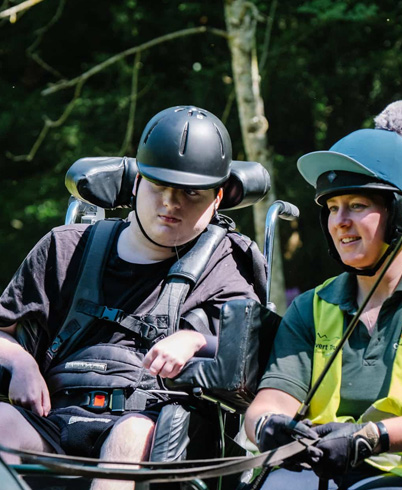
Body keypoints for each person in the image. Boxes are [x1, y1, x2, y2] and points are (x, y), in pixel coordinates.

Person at [0, 106, 266, 489]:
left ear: (217, 197)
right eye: (159, 185)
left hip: (157, 429)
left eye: (191, 192)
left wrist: (195, 340)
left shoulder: (229, 262)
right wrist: (20, 362)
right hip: (54, 420)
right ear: (138, 181)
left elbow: (252, 356)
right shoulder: (64, 247)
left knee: (132, 434)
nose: (171, 202)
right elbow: (4, 332)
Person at [245, 100, 402, 490]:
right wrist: (268, 425)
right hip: (315, 475)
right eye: (332, 208)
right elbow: (272, 400)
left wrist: (371, 437)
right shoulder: (310, 307)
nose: (340, 222)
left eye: (357, 206)